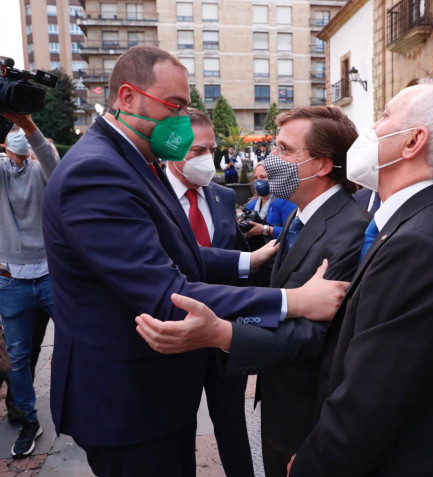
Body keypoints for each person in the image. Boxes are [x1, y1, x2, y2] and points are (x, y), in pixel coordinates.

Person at [136, 81, 433, 476]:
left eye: (384, 116)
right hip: (291, 410)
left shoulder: (419, 244)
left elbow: (372, 390)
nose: (372, 129)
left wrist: (315, 461)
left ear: (413, 141)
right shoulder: (412, 225)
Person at [41, 45, 348, 477]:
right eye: (175, 106)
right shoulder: (96, 172)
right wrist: (294, 301)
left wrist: (246, 262)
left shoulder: (135, 159)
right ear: (127, 98)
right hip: (127, 404)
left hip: (154, 395)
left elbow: (176, 249)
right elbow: (169, 296)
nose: (183, 122)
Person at [248, 106, 369, 476]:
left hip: (309, 414)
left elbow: (321, 335)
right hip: (283, 402)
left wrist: (227, 335)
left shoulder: (350, 228)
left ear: (321, 165)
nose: (271, 159)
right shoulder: (302, 217)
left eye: (285, 150)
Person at [165, 108, 254, 477]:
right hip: (175, 333)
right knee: (175, 429)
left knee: (232, 424)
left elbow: (231, 256)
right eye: (197, 150)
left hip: (223, 332)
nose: (207, 159)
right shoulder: (151, 197)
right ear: (172, 150)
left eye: (211, 149)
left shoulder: (219, 195)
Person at [0, 112, 58, 458]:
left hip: (50, 275)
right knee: (19, 357)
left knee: (79, 341)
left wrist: (30, 123)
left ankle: (85, 405)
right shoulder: (3, 172)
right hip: (11, 280)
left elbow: (54, 166)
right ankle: (27, 419)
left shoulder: (40, 168)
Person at [244, 163, 297, 248]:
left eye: (263, 177)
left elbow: (294, 232)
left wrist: (266, 230)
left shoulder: (286, 202)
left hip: (277, 255)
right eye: (255, 178)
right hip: (255, 254)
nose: (258, 181)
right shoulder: (251, 205)